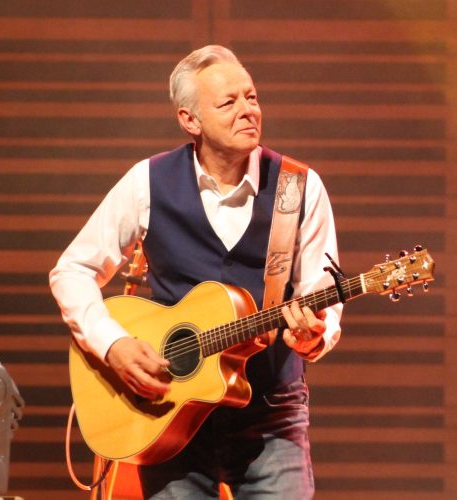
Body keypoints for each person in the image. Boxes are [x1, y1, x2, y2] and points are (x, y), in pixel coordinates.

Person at [50, 44, 342, 499]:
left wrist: (315, 337)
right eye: (228, 102)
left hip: (270, 415)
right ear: (190, 120)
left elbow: (324, 295)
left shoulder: (298, 186)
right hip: (169, 411)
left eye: (252, 96)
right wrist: (114, 345)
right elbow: (71, 270)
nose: (248, 110)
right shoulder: (147, 181)